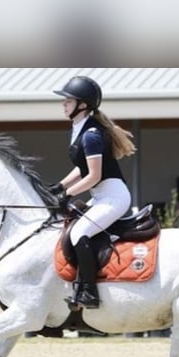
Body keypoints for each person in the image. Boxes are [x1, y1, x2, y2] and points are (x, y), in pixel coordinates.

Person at [49, 75, 136, 310]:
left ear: (83, 105)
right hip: (101, 196)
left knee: (79, 234)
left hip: (113, 197)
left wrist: (67, 195)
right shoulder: (80, 128)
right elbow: (82, 166)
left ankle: (89, 292)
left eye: (68, 100)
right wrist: (59, 186)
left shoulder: (91, 135)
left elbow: (94, 176)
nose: (64, 104)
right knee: (68, 227)